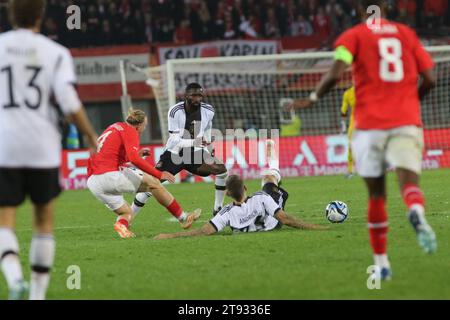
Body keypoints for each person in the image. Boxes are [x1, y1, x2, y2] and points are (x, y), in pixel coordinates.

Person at [289, 0, 437, 280]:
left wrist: (311, 98)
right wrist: (410, 102)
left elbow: (336, 71)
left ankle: (382, 264)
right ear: (387, 9)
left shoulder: (352, 37)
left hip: (370, 126)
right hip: (405, 120)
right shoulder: (407, 34)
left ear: (360, 11)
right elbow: (430, 78)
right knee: (409, 183)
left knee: (377, 195)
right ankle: (415, 210)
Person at [0, 0, 98, 300]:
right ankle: (37, 296)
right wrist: (90, 135)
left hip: (5, 145)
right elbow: (69, 104)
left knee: (5, 219)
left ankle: (15, 279)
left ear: (10, 14)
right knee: (43, 219)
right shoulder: (56, 53)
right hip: (42, 145)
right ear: (41, 17)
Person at [154, 140, 327, 240]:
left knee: (269, 180)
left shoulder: (226, 213)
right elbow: (286, 219)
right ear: (245, 187)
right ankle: (273, 164)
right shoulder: (262, 198)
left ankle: (273, 165)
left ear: (227, 193)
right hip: (274, 226)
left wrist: (169, 236)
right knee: (269, 178)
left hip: (253, 227)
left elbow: (203, 231)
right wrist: (316, 228)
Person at [87, 109, 201, 239]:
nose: (144, 129)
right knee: (154, 183)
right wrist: (159, 173)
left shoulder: (114, 127)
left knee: (126, 212)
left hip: (94, 182)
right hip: (110, 175)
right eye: (145, 126)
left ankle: (122, 226)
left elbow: (112, 155)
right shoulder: (131, 131)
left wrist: (137, 154)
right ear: (139, 125)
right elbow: (134, 159)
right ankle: (183, 218)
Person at [131, 83, 228, 217]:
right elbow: (175, 139)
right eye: (194, 95)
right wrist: (195, 141)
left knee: (221, 170)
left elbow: (208, 127)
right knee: (149, 187)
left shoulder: (208, 110)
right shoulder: (175, 111)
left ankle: (218, 209)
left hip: (194, 153)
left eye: (200, 95)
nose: (197, 99)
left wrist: (208, 144)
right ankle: (127, 218)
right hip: (174, 153)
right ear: (186, 96)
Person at [340, 86, 356, 177]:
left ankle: (350, 171)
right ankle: (350, 171)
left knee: (351, 147)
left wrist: (343, 126)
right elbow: (343, 111)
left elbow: (343, 111)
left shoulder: (348, 93)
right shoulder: (348, 93)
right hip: (363, 123)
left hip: (357, 124)